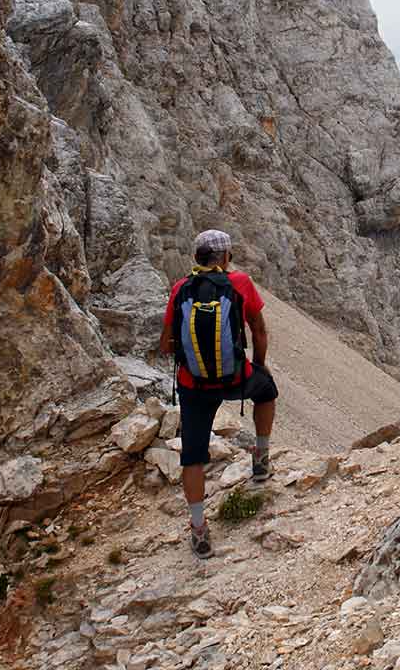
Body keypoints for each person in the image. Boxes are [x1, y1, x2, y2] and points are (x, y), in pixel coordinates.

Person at [159, 228, 278, 559]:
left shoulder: (180, 289)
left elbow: (165, 343)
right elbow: (260, 331)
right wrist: (259, 365)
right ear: (225, 257)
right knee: (267, 392)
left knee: (193, 456)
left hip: (193, 385)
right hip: (234, 378)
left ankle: (199, 530)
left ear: (197, 257)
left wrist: (192, 355)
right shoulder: (239, 283)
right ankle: (261, 459)